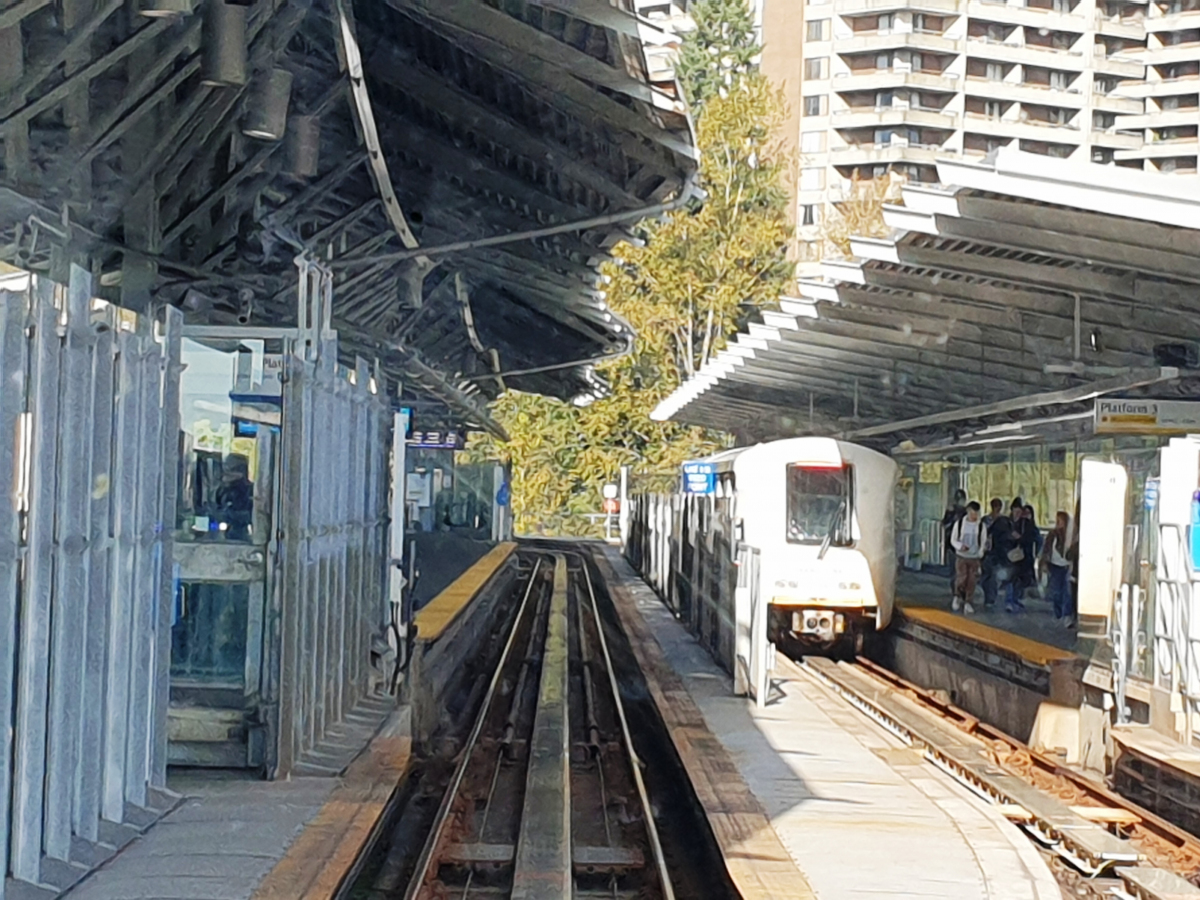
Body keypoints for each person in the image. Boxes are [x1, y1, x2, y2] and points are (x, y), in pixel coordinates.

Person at [950, 501, 987, 615]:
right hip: (962, 556)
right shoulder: (960, 524)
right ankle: (957, 596)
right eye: (971, 512)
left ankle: (968, 602)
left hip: (974, 557)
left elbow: (983, 542)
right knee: (962, 577)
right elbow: (953, 539)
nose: (974, 515)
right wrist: (960, 546)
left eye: (976, 513)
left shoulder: (981, 526)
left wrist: (980, 553)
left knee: (972, 580)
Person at [214, 453, 254, 542]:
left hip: (243, 538)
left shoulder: (250, 490)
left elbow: (251, 515)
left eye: (230, 469)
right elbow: (215, 509)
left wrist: (229, 515)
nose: (226, 474)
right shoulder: (222, 490)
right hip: (222, 537)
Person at [1041, 511, 1072, 622]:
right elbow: (1046, 549)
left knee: (1066, 591)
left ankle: (1066, 613)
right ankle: (1058, 612)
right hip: (1055, 565)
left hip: (1067, 565)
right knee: (1056, 591)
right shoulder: (1052, 534)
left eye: (1060, 520)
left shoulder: (1070, 535)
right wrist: (1044, 563)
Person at [1005, 498, 1034, 613]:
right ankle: (1009, 601)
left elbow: (1030, 538)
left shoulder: (1024, 524)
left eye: (1019, 511)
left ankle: (1015, 599)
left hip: (1021, 556)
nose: (1017, 513)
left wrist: (1020, 538)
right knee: (1010, 579)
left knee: (1017, 579)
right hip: (1009, 555)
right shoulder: (1007, 523)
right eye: (1015, 511)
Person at [981, 498, 1008, 608]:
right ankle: (989, 597)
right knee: (988, 575)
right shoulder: (991, 520)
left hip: (993, 551)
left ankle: (990, 598)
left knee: (991, 575)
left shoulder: (1001, 521)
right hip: (990, 551)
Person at [942, 489, 968, 598]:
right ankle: (957, 592)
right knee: (956, 571)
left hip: (961, 546)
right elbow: (944, 524)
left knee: (961, 571)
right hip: (954, 546)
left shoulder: (965, 512)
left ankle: (960, 591)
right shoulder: (952, 512)